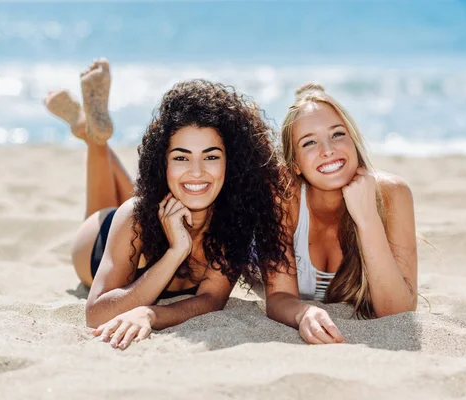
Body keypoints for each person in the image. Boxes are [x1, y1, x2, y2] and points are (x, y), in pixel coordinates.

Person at [44, 59, 288, 350]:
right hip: (98, 242)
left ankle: (90, 132)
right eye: (181, 157)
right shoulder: (133, 215)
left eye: (210, 156)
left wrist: (152, 313)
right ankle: (95, 139)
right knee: (122, 207)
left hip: (158, 211)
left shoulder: (233, 221)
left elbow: (211, 299)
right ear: (163, 163)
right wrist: (176, 253)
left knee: (168, 193)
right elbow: (96, 314)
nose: (197, 170)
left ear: (231, 163)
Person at [265, 83, 418, 345]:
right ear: (296, 166)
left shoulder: (394, 193)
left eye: (337, 134)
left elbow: (397, 312)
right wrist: (305, 312)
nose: (328, 150)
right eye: (309, 142)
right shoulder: (283, 193)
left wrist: (368, 218)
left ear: (354, 141)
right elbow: (277, 296)